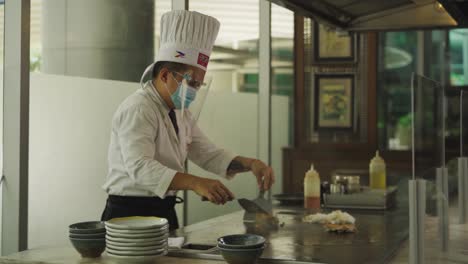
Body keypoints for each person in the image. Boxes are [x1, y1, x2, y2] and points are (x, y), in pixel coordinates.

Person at [101, 10, 274, 230]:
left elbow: (207, 154)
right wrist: (195, 183)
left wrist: (251, 164)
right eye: (191, 82)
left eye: (198, 85)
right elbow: (140, 167)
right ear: (165, 75)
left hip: (164, 211)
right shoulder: (139, 108)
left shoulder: (181, 114)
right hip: (129, 215)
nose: (194, 90)